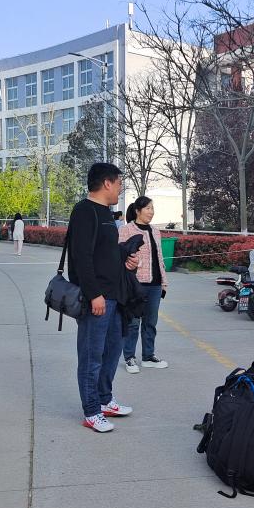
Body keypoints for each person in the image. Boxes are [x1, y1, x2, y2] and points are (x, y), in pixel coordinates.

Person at [68, 162, 139, 433]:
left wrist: (126, 258)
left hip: (115, 297)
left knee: (112, 351)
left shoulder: (106, 214)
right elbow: (81, 257)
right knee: (91, 356)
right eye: (119, 183)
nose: (120, 188)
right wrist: (94, 294)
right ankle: (91, 411)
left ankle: (104, 399)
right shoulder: (84, 211)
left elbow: (105, 253)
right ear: (107, 183)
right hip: (97, 299)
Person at [117, 196, 169, 374]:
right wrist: (134, 263)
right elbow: (119, 255)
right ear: (138, 211)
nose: (151, 212)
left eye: (152, 208)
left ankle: (148, 356)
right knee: (133, 322)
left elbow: (159, 257)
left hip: (155, 284)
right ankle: (129, 357)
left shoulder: (155, 231)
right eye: (148, 208)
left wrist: (164, 281)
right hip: (135, 283)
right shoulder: (126, 230)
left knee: (150, 322)